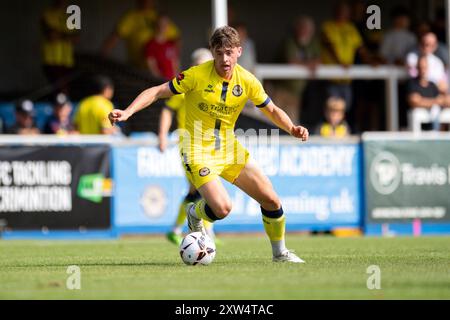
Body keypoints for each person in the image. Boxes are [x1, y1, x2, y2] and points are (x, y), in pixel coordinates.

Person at [109, 26, 309, 263]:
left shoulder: (247, 80)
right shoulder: (195, 75)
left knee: (272, 200)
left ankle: (280, 254)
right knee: (223, 209)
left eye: (228, 52)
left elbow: (272, 109)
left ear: (238, 52)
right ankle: (194, 212)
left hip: (228, 149)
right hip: (196, 151)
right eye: (219, 53)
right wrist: (128, 111)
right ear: (213, 52)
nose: (224, 59)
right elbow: (158, 91)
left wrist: (292, 128)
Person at [160, 48, 219, 246]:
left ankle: (179, 229)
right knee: (203, 187)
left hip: (207, 142)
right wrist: (162, 135)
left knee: (197, 189)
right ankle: (204, 233)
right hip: (188, 142)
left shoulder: (213, 88)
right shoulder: (186, 86)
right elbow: (167, 110)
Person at [102, 0, 180, 69]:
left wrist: (174, 62)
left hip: (160, 69)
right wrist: (102, 56)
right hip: (136, 66)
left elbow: (176, 38)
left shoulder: (157, 16)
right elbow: (115, 37)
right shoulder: (131, 16)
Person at [274, 15, 320, 123]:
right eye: (302, 28)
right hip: (280, 90)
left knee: (292, 123)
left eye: (308, 30)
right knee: (274, 123)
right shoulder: (289, 41)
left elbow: (319, 60)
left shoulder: (312, 43)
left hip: (296, 93)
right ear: (297, 29)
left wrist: (311, 63)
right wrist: (308, 65)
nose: (304, 32)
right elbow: (291, 60)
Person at [40, 0, 78, 93]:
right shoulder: (47, 14)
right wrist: (67, 36)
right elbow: (51, 36)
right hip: (51, 60)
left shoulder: (72, 15)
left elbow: (76, 39)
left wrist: (60, 34)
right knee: (57, 90)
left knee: (66, 90)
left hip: (67, 61)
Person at [407, 55, 449, 131]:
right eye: (421, 67)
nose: (423, 70)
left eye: (425, 67)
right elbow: (414, 101)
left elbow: (445, 100)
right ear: (417, 68)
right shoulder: (412, 83)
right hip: (419, 127)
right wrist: (435, 101)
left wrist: (425, 102)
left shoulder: (432, 85)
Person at [145, 14, 180, 80]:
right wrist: (161, 82)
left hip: (172, 83)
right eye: (161, 23)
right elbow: (152, 67)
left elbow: (175, 64)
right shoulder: (150, 44)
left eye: (166, 24)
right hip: (159, 83)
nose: (164, 26)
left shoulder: (171, 43)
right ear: (156, 25)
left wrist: (178, 80)